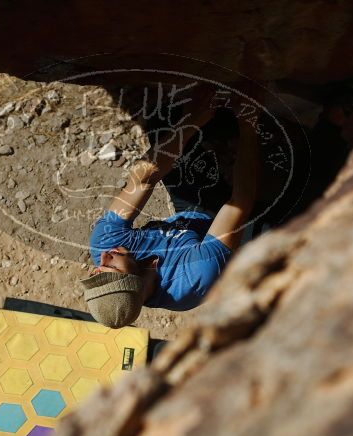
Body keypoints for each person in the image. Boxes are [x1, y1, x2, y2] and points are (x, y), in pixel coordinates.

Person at [81, 96, 259, 328]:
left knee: (162, 122)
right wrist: (249, 123)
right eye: (111, 266)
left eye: (97, 269)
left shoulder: (104, 244)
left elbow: (143, 180)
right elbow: (241, 202)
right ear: (136, 282)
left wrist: (192, 119)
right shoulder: (194, 277)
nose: (104, 256)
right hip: (239, 234)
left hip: (191, 217)